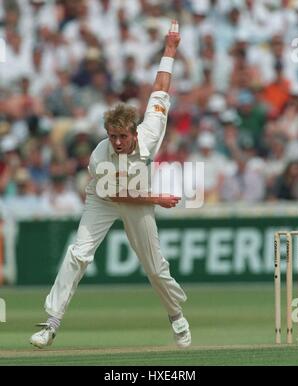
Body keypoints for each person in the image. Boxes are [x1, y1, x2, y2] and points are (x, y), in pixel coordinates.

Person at [30, 20, 191, 350]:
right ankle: (51, 322)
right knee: (78, 254)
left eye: (122, 136)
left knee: (155, 268)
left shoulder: (151, 130)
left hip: (139, 197)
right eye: (112, 136)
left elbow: (161, 86)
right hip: (107, 198)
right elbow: (119, 195)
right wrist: (158, 198)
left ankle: (176, 315)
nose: (117, 142)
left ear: (134, 132)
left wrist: (170, 48)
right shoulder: (100, 157)